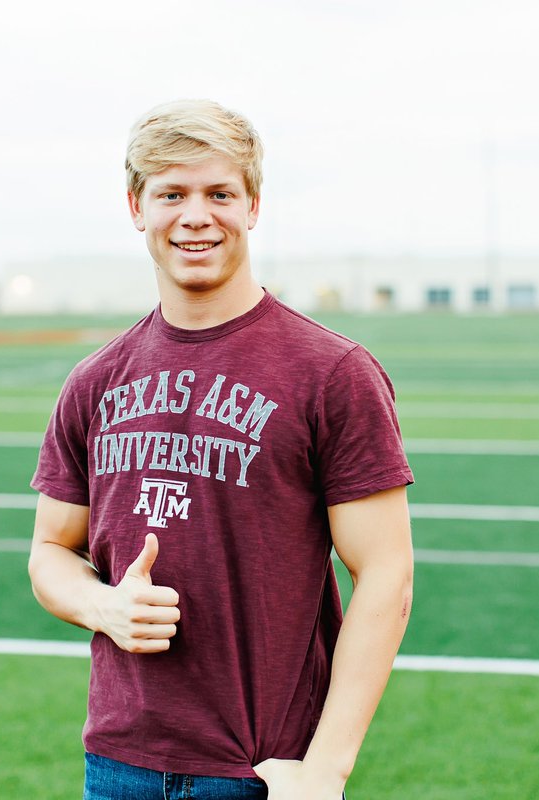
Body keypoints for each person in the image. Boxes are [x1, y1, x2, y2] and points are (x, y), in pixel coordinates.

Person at [28, 99, 414, 800]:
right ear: (136, 207)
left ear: (253, 206)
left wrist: (327, 768)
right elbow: (51, 552)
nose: (196, 216)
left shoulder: (332, 372)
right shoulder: (95, 380)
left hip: (261, 770)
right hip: (119, 763)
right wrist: (102, 606)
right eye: (172, 193)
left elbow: (387, 574)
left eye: (219, 194)